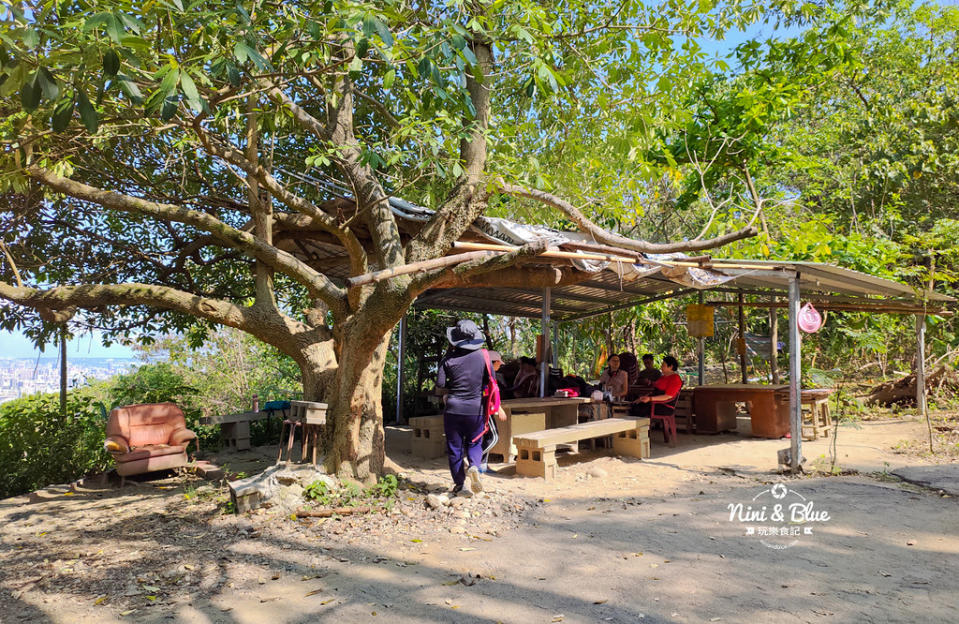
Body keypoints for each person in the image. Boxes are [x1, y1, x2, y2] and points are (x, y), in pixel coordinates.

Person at [436, 320, 504, 495]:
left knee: (455, 448)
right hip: (476, 409)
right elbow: (490, 380)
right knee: (474, 442)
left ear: (455, 340)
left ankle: (459, 484)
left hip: (453, 409)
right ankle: (474, 466)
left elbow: (440, 384)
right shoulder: (484, 356)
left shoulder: (448, 360)